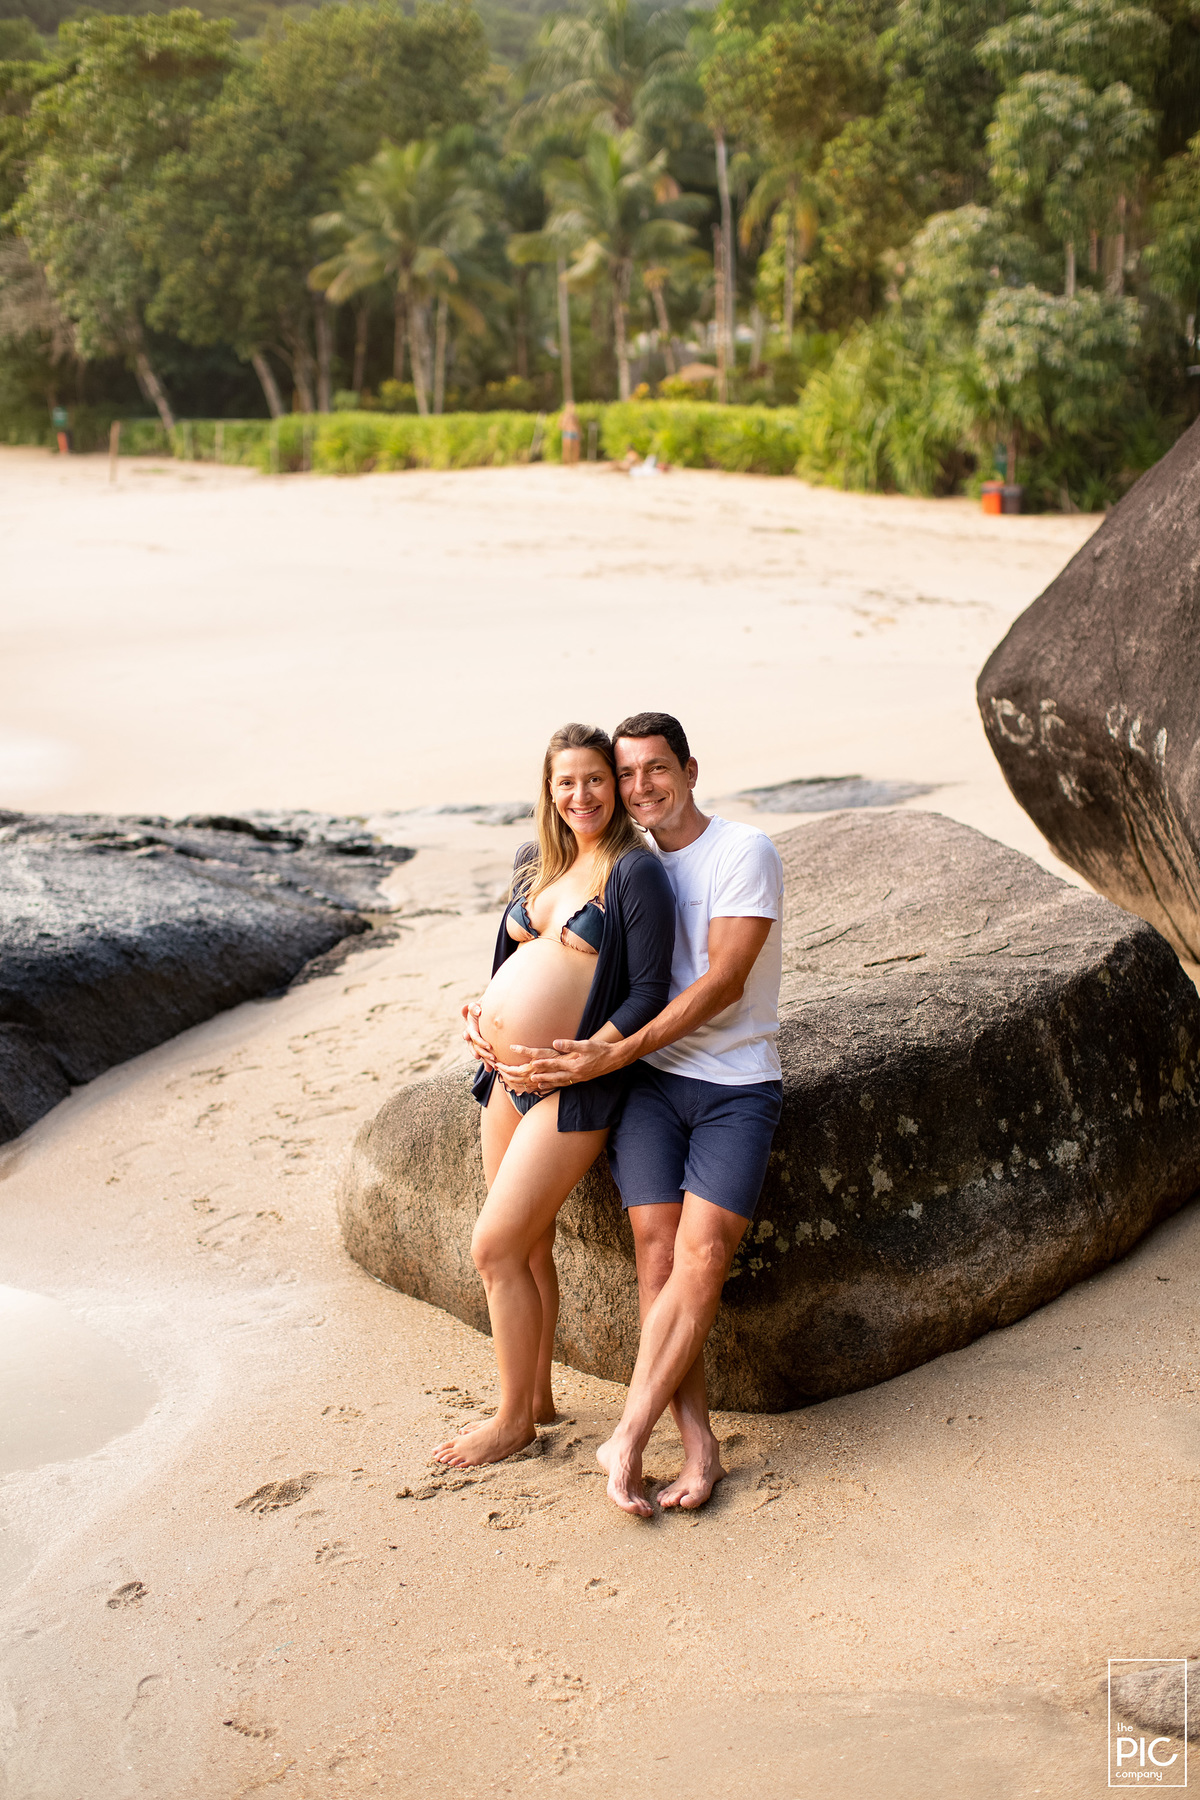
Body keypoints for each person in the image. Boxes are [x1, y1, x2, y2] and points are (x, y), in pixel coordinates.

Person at [496, 712, 784, 1516]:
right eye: (626, 774)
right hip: (653, 1088)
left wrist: (608, 1053)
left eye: (654, 769)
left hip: (734, 1085)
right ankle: (698, 1446)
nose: (638, 787)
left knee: (702, 1257)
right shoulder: (624, 864)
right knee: (655, 1260)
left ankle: (624, 1437)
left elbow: (724, 981)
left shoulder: (741, 852)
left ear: (690, 770)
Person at [434, 721, 674, 1469]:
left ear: (616, 785)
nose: (582, 795)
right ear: (549, 789)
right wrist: (480, 1014)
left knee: (494, 1245)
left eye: (596, 779)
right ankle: (533, 1394)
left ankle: (511, 1423)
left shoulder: (633, 872)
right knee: (529, 1244)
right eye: (566, 782)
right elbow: (509, 961)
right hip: (503, 1079)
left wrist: (592, 1057)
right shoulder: (534, 866)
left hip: (574, 1088)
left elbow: (647, 991)